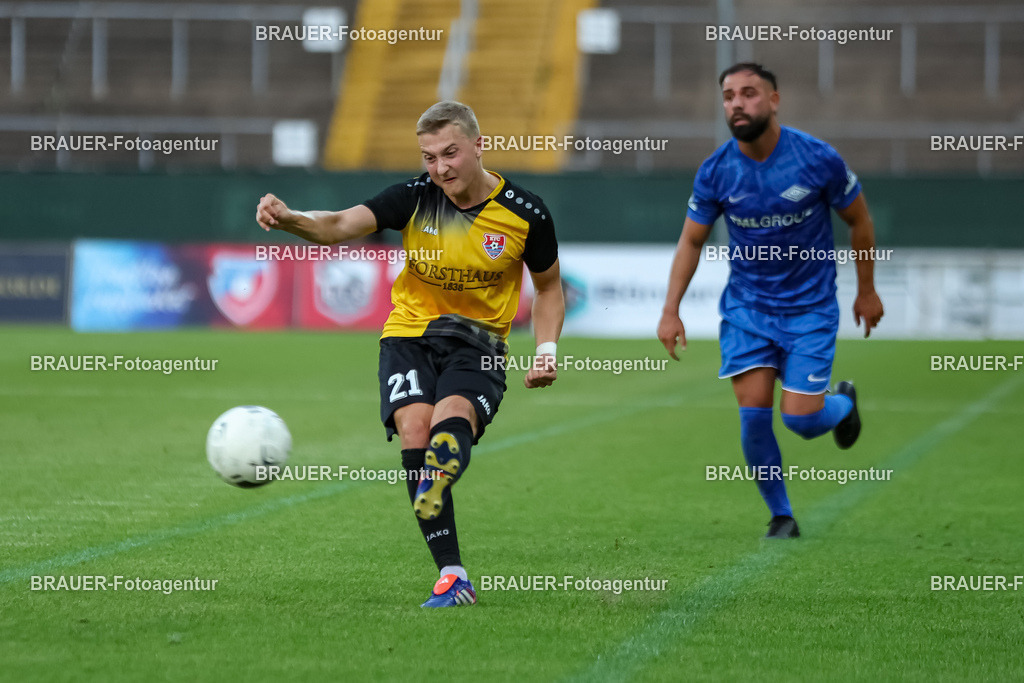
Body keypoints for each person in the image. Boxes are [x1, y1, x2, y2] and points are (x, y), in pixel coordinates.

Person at [256, 101, 565, 604]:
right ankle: (451, 575)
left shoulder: (525, 214)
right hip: (408, 335)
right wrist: (290, 219)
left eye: (450, 153)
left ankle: (437, 481)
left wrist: (546, 348)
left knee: (452, 419)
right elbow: (336, 224)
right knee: (415, 432)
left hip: (479, 342)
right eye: (428, 157)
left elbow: (549, 288)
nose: (440, 168)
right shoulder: (414, 198)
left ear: (477, 146)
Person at [657, 63, 884, 539]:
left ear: (774, 100)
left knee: (800, 420)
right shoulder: (717, 171)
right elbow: (691, 242)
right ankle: (781, 516)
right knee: (754, 414)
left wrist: (866, 289)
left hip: (810, 310)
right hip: (748, 312)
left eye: (749, 94)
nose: (737, 103)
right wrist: (670, 309)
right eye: (728, 96)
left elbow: (859, 222)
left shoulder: (817, 159)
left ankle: (842, 404)